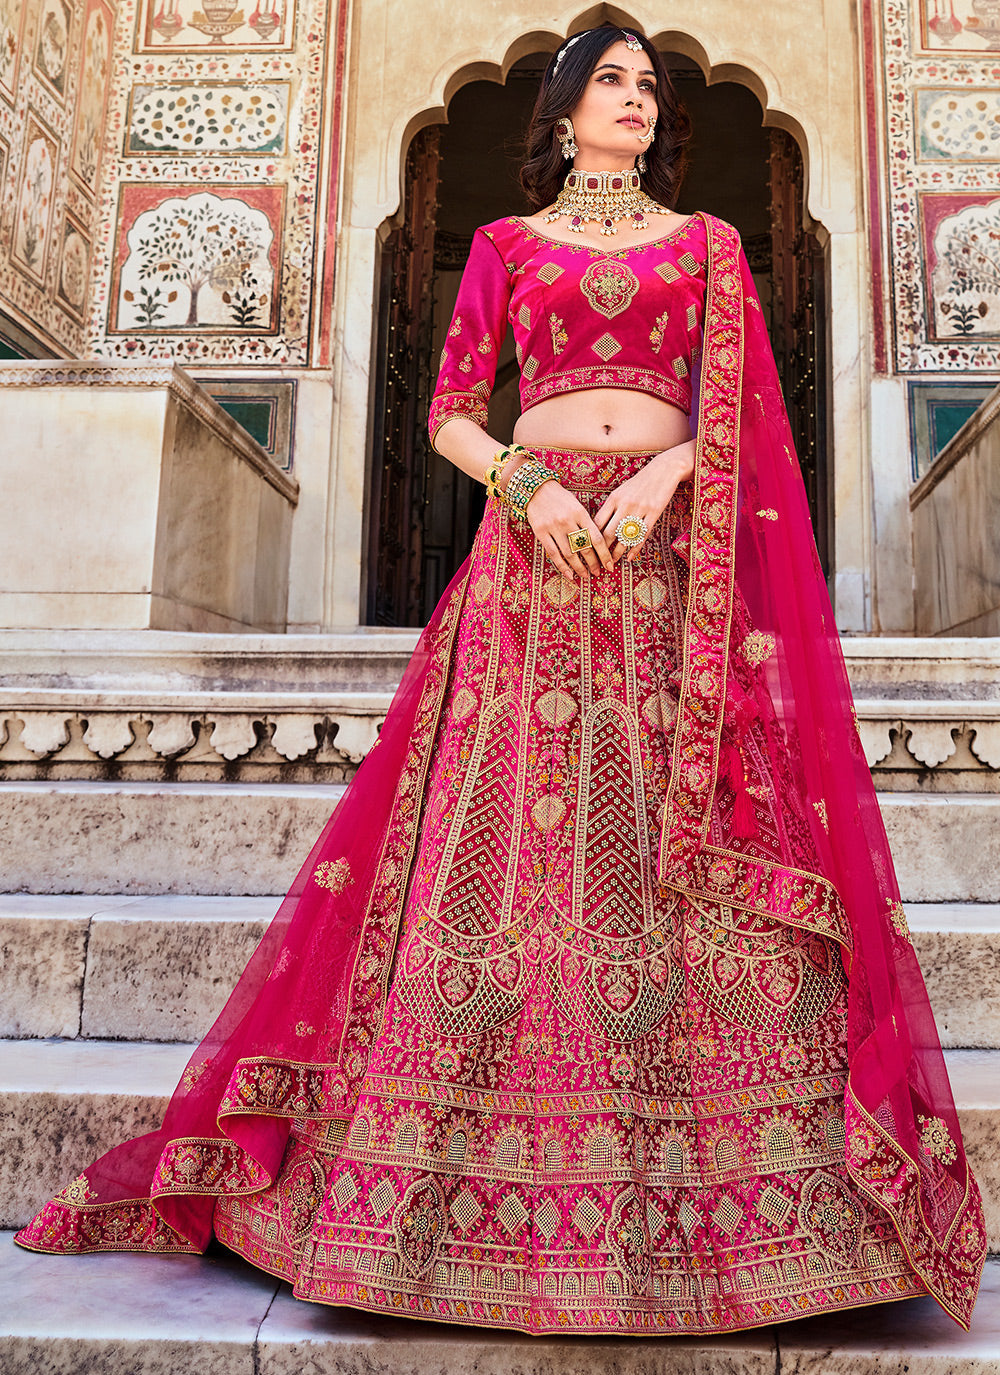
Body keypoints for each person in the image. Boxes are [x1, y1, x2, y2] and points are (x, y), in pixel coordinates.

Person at [17, 23, 984, 1337]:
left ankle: (756, 1212)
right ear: (567, 105)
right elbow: (452, 408)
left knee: (670, 855)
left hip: (661, 576)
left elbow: (742, 413)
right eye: (614, 81)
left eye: (651, 85)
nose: (637, 101)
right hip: (532, 576)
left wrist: (657, 476)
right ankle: (432, 1210)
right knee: (513, 871)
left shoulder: (708, 246)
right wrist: (527, 485)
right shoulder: (502, 248)